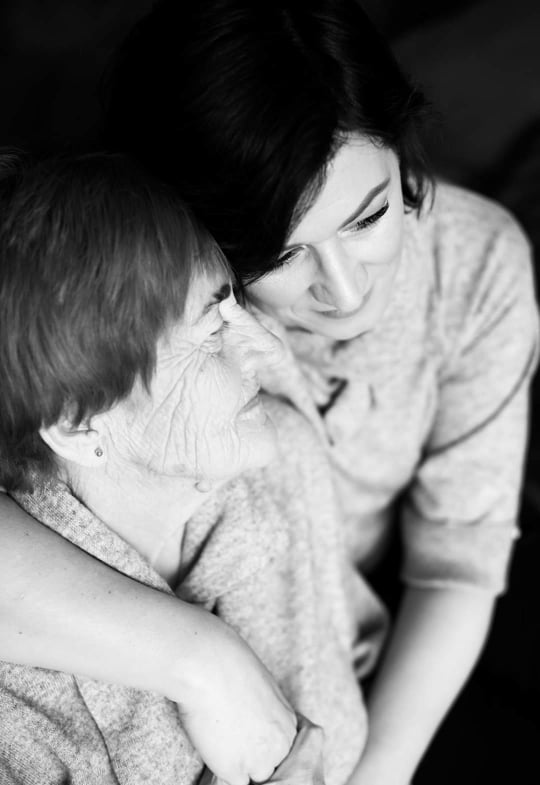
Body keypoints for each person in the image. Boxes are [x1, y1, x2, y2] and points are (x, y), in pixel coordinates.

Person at [0, 0, 537, 781]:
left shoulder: (477, 266)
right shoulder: (116, 292)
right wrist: (199, 658)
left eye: (369, 217)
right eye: (282, 255)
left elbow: (460, 563)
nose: (346, 294)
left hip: (351, 650)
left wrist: (374, 773)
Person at [0, 152, 372, 785]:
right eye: (211, 334)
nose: (265, 351)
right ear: (79, 425)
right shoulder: (19, 716)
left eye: (237, 309)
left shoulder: (282, 458)